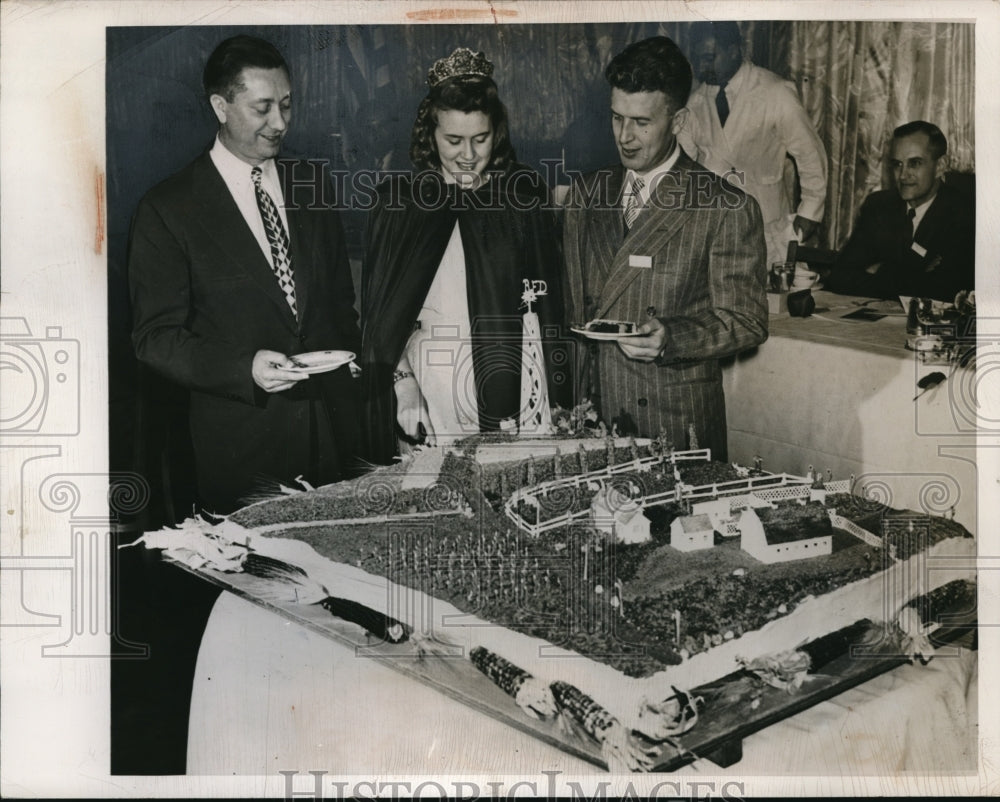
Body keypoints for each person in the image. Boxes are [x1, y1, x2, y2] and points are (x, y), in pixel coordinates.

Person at [129, 35, 362, 515]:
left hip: (333, 442)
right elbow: (155, 338)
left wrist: (352, 366)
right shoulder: (167, 208)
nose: (280, 123)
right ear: (221, 106)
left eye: (286, 105)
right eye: (262, 108)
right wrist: (244, 368)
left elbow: (339, 303)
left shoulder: (311, 183)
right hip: (242, 455)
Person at [360, 47, 570, 464]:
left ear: (497, 132)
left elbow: (548, 310)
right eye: (453, 140)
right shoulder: (400, 205)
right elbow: (382, 322)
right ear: (430, 135)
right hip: (430, 388)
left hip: (513, 384)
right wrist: (404, 385)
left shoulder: (521, 197)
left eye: (481, 139)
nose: (469, 155)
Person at [564, 35, 768, 461]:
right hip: (593, 418)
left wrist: (671, 337)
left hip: (673, 420)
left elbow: (747, 320)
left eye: (642, 122)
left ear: (678, 121)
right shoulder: (585, 194)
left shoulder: (724, 206)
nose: (625, 136)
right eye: (617, 118)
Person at [677, 21, 828, 266]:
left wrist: (810, 211)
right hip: (714, 229)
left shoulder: (775, 92)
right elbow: (682, 167)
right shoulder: (694, 103)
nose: (702, 67)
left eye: (710, 58)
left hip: (766, 228)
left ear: (733, 51)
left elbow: (810, 154)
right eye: (698, 59)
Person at [824, 121, 975, 301]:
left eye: (915, 163)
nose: (903, 175)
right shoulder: (879, 206)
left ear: (940, 166)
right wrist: (912, 278)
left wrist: (882, 272)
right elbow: (840, 276)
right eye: (897, 164)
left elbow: (947, 291)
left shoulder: (963, 213)